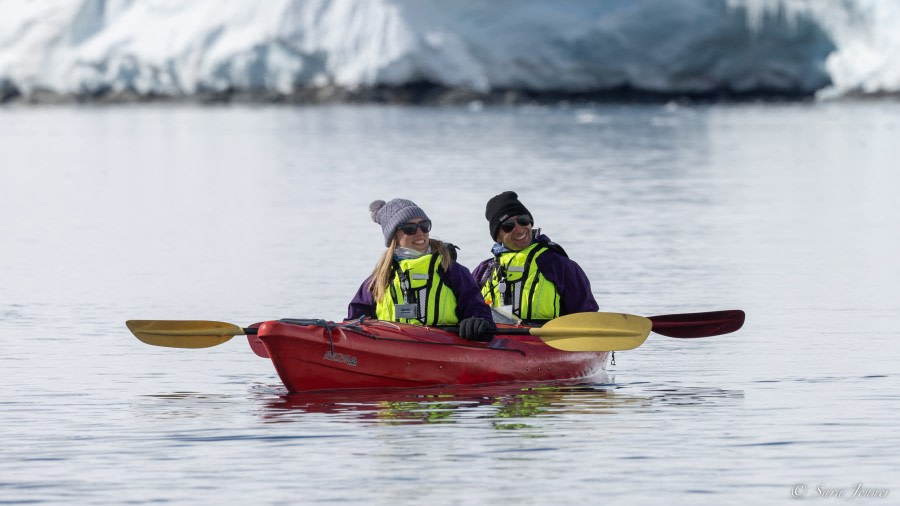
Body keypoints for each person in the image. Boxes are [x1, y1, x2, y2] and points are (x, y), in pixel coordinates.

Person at [348, 198, 495, 341]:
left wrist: (478, 322)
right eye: (409, 229)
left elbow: (479, 311)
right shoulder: (380, 279)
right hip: (394, 351)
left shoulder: (451, 271)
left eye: (424, 226)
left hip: (446, 351)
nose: (420, 233)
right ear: (394, 236)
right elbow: (353, 324)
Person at [472, 191, 599, 322]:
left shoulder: (558, 264)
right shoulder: (483, 271)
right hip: (495, 341)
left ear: (530, 223)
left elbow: (587, 317)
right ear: (497, 236)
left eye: (523, 220)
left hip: (548, 340)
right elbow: (465, 311)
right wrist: (472, 323)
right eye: (508, 226)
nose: (519, 229)